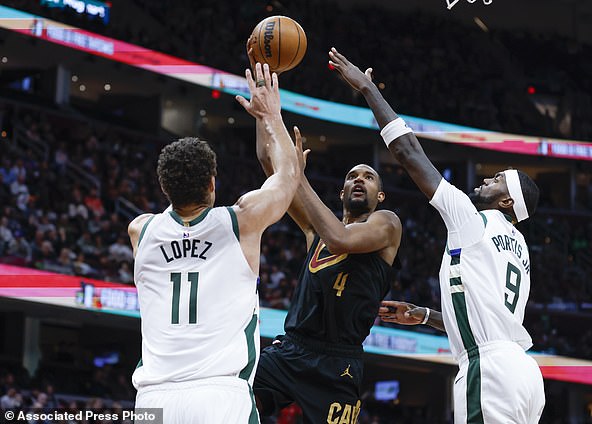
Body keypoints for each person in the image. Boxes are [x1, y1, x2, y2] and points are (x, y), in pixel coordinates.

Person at [329, 48, 545, 424]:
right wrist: (426, 315)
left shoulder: (472, 220)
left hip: (489, 371)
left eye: (495, 181)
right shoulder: (521, 251)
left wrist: (368, 90)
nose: (484, 181)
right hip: (524, 375)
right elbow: (486, 320)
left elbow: (408, 151)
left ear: (508, 200)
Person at [128, 63, 300, 423]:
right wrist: (271, 115)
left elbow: (175, 217)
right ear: (212, 183)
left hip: (153, 401)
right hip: (219, 395)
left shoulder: (140, 231)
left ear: (163, 187)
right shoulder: (241, 222)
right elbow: (287, 177)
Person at [252, 109, 402, 423]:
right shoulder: (314, 230)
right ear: (342, 192)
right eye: (352, 176)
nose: (359, 179)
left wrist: (299, 176)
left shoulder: (387, 224)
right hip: (292, 350)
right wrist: (265, 112)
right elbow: (270, 164)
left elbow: (339, 239)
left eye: (368, 177)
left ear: (380, 195)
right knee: (234, 398)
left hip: (338, 364)